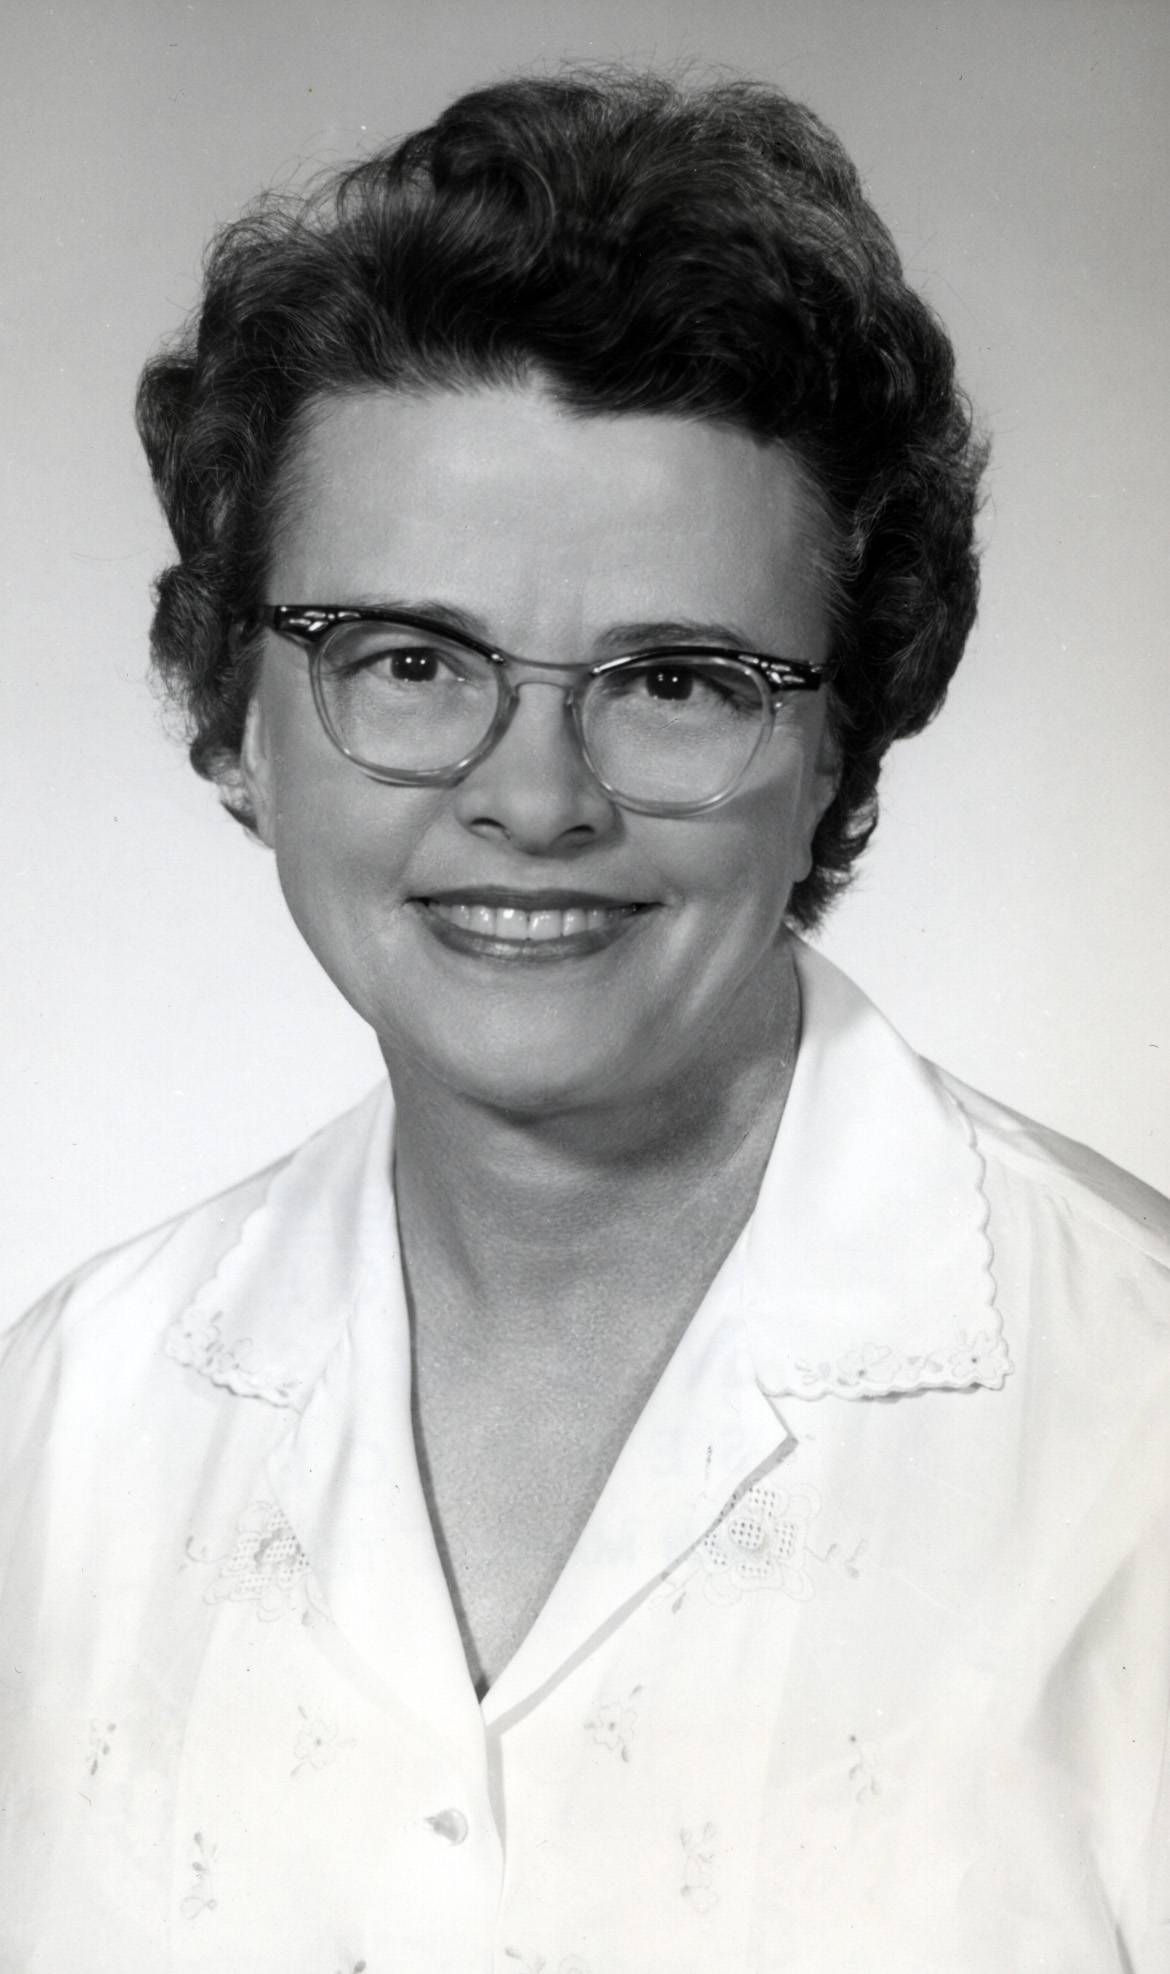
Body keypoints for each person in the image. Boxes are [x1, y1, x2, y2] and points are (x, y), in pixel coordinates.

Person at [1, 67, 1167, 1974]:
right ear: (234, 721)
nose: (532, 796)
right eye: (406, 658)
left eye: (679, 679)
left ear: (839, 741)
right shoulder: (57, 1428)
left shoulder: (1137, 1438)